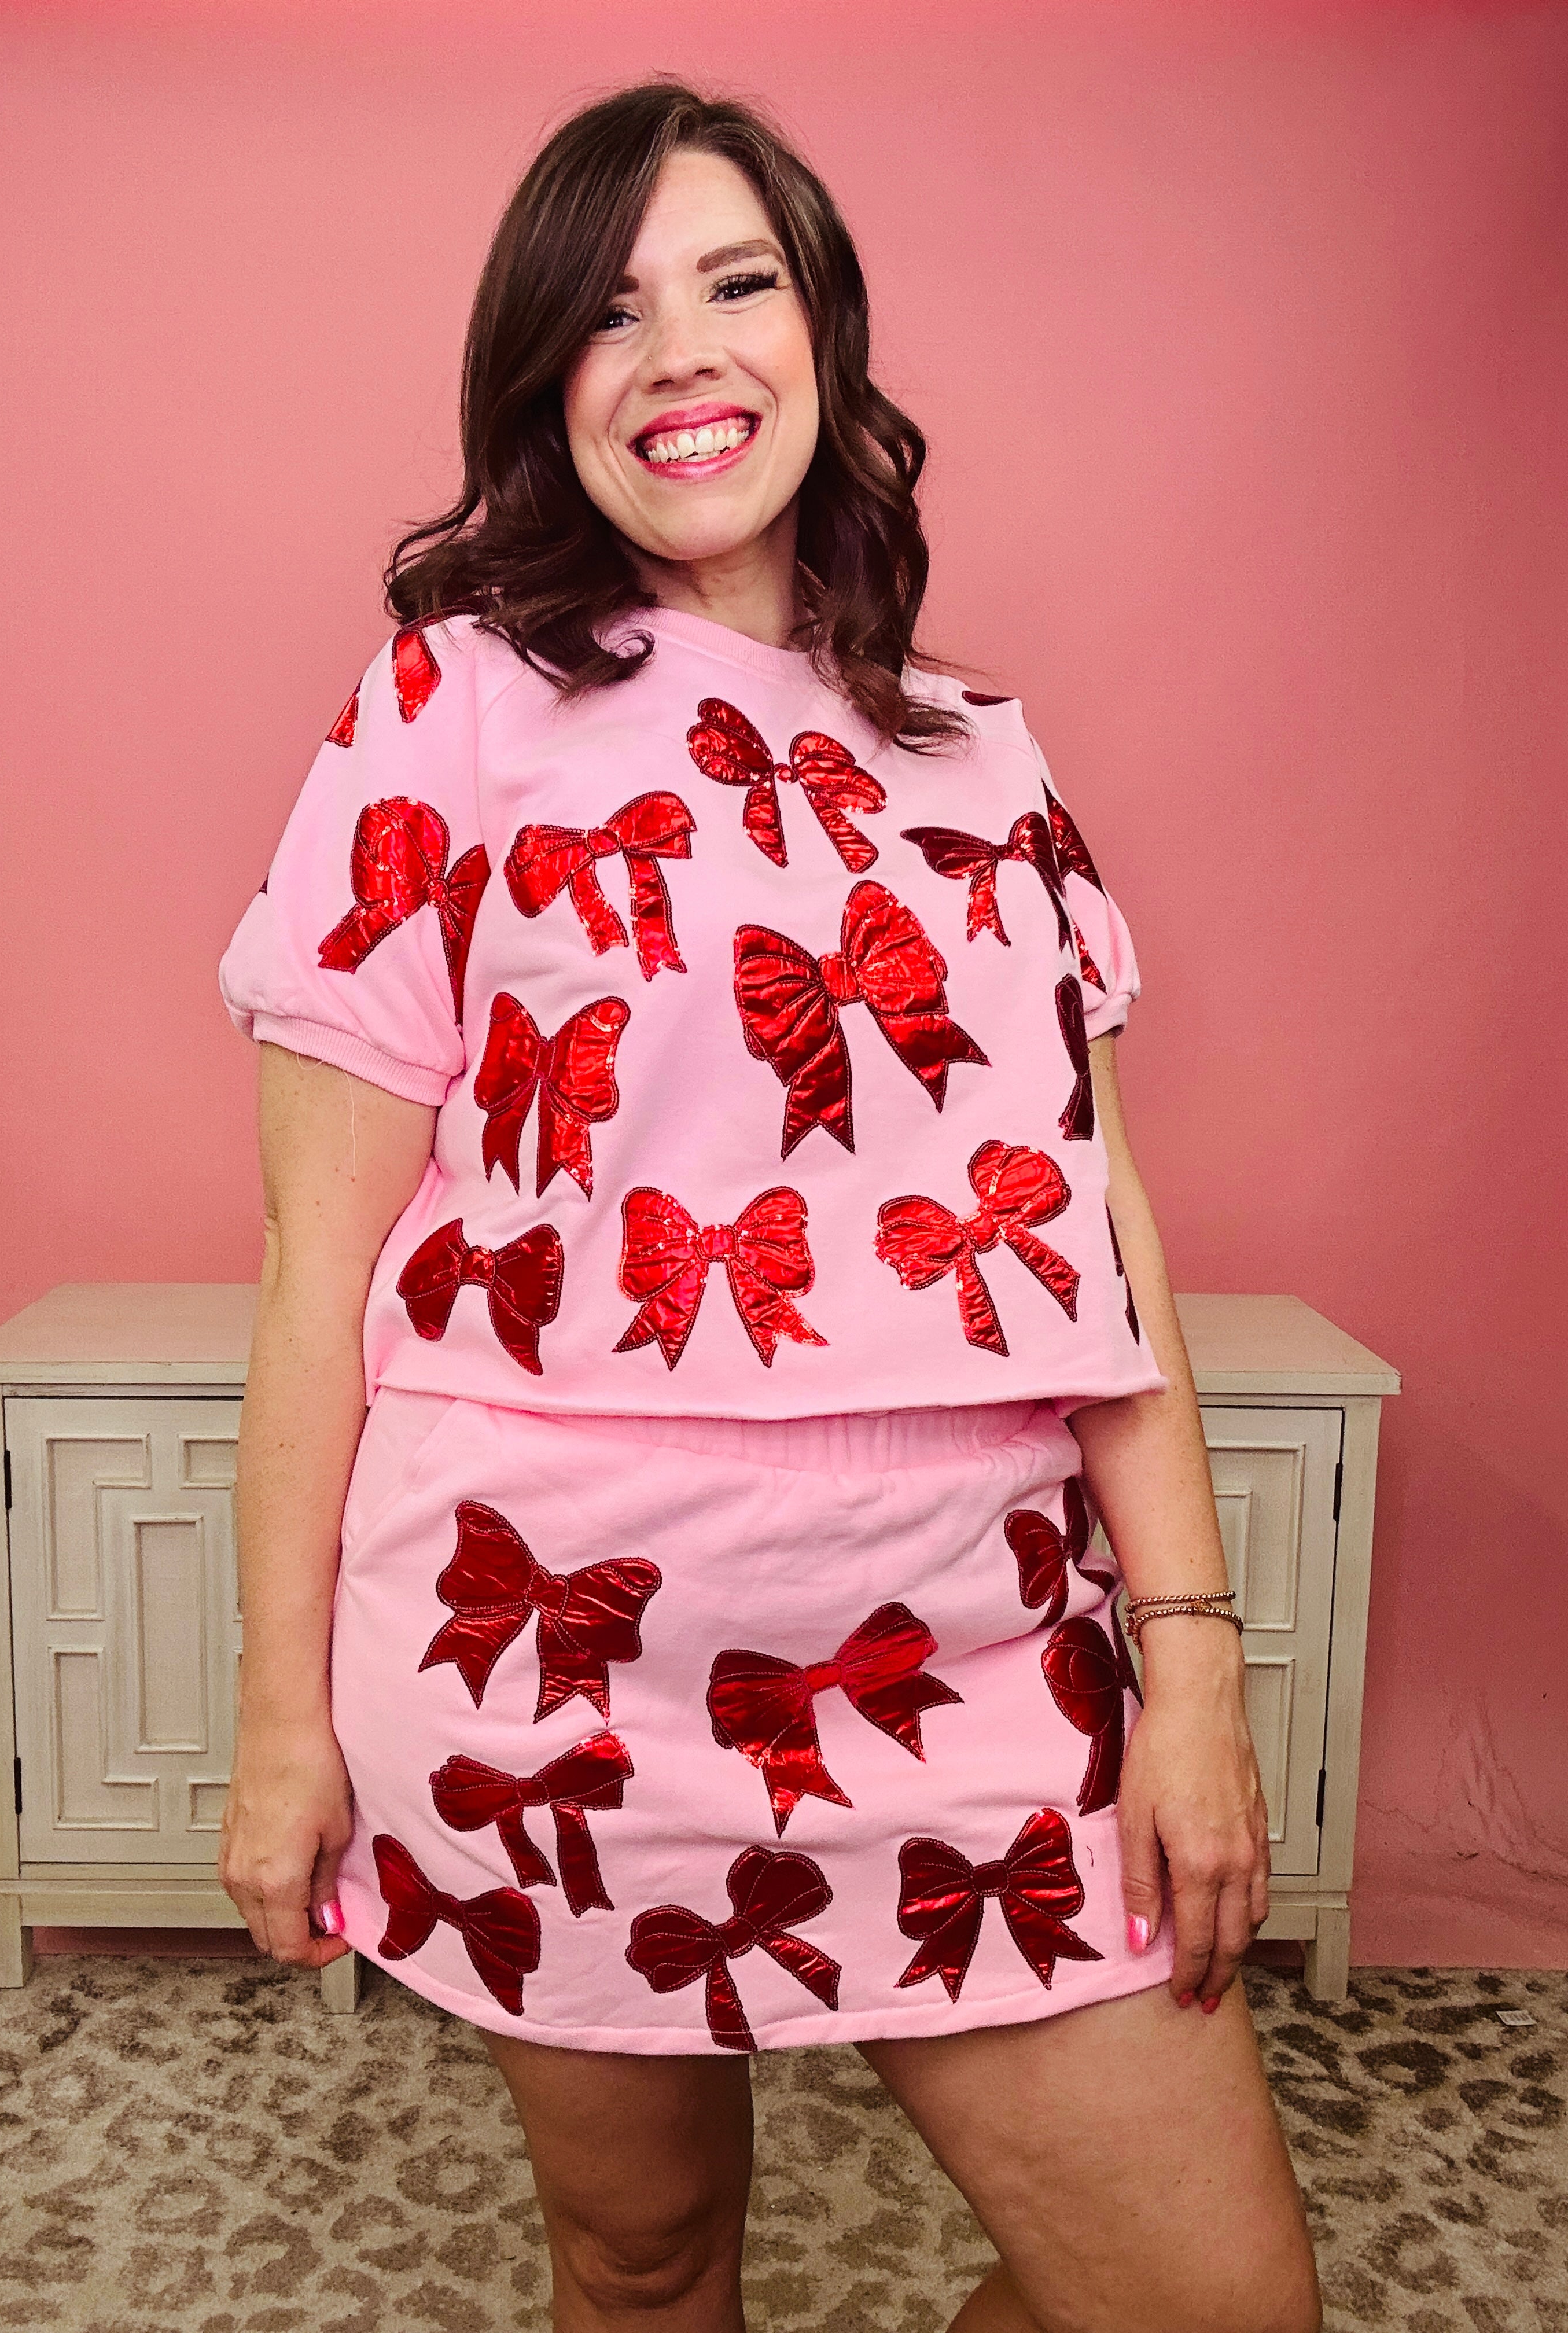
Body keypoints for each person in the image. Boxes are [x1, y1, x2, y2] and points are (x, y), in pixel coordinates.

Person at [216, 80, 1320, 2333]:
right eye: (608, 313)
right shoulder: (444, 717)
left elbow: (1101, 1231)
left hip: (976, 1647)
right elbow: (313, 1273)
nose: (682, 352)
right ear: (545, 387)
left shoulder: (982, 762)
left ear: (825, 329)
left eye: (738, 283)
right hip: (557, 1675)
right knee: (642, 2262)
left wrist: (1191, 1671)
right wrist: (275, 1713)